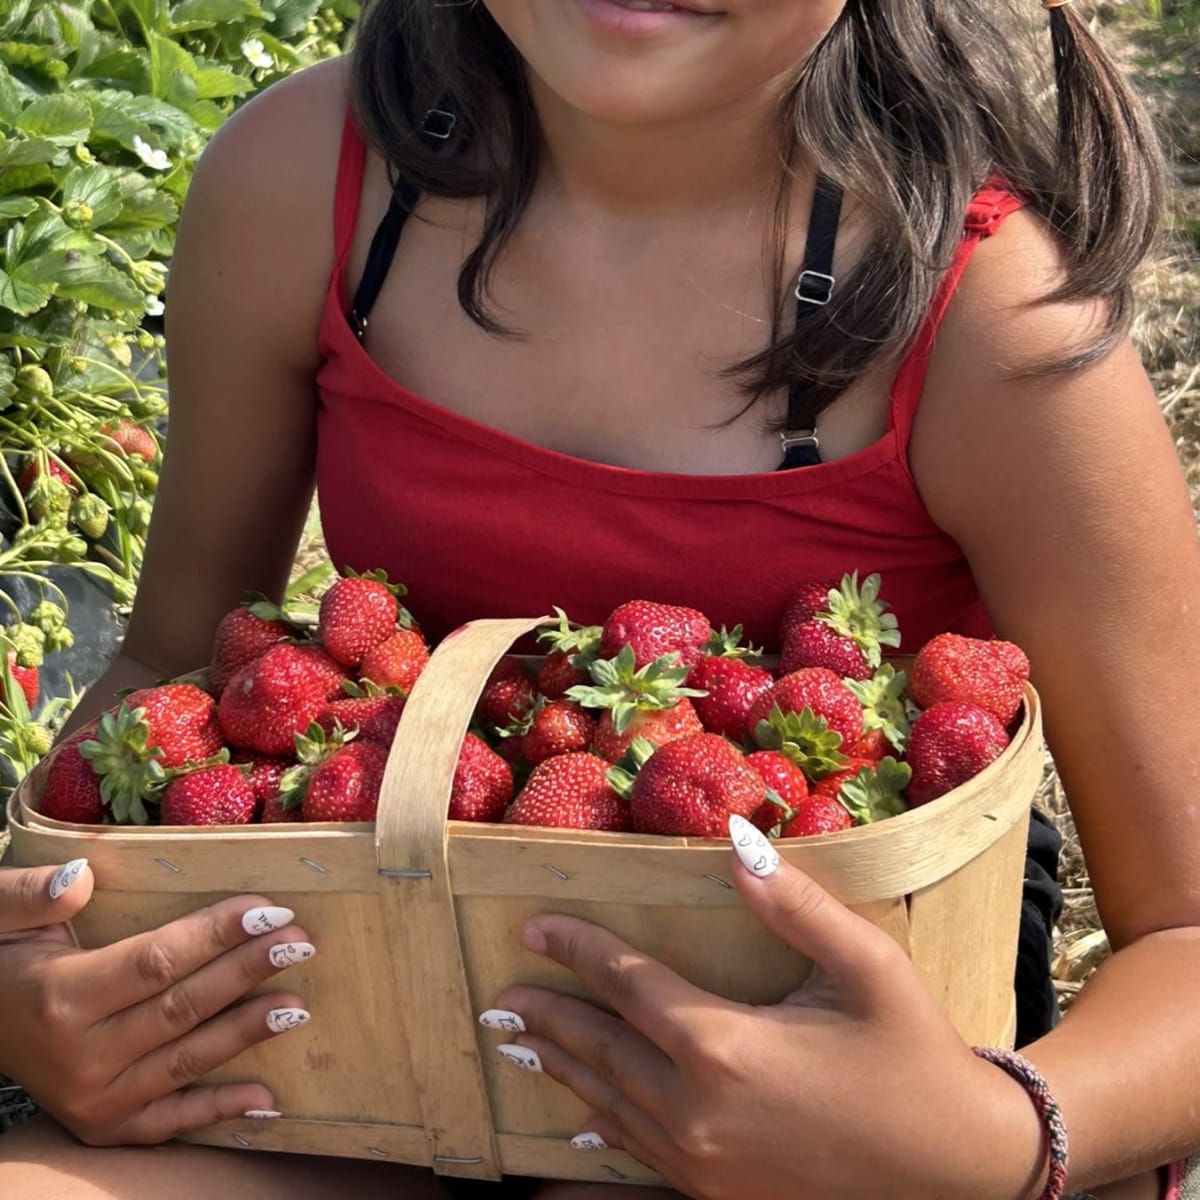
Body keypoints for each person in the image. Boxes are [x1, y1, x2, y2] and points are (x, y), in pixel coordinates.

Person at [1, 0, 1197, 1196]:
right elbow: (166, 667)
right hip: (372, 1012)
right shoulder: (312, 181)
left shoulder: (986, 310)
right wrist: (45, 971)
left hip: (803, 1057)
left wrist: (993, 1134)